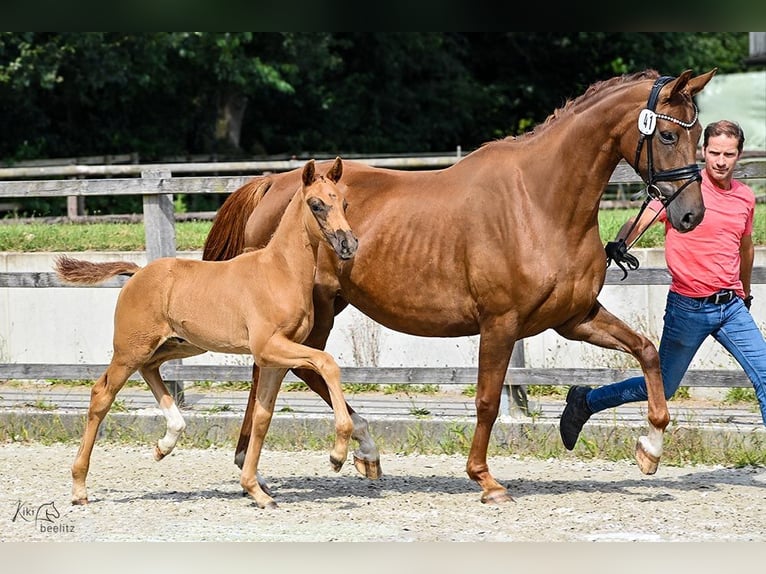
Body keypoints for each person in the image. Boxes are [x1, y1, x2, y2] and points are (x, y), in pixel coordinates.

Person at [560, 119, 766, 450]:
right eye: (714, 153)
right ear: (703, 151)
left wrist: (746, 292)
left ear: (739, 155)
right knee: (663, 388)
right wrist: (621, 242)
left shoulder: (744, 198)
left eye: (729, 154)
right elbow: (641, 219)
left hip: (731, 307)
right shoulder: (681, 188)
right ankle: (586, 402)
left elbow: (745, 247)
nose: (721, 161)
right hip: (688, 308)